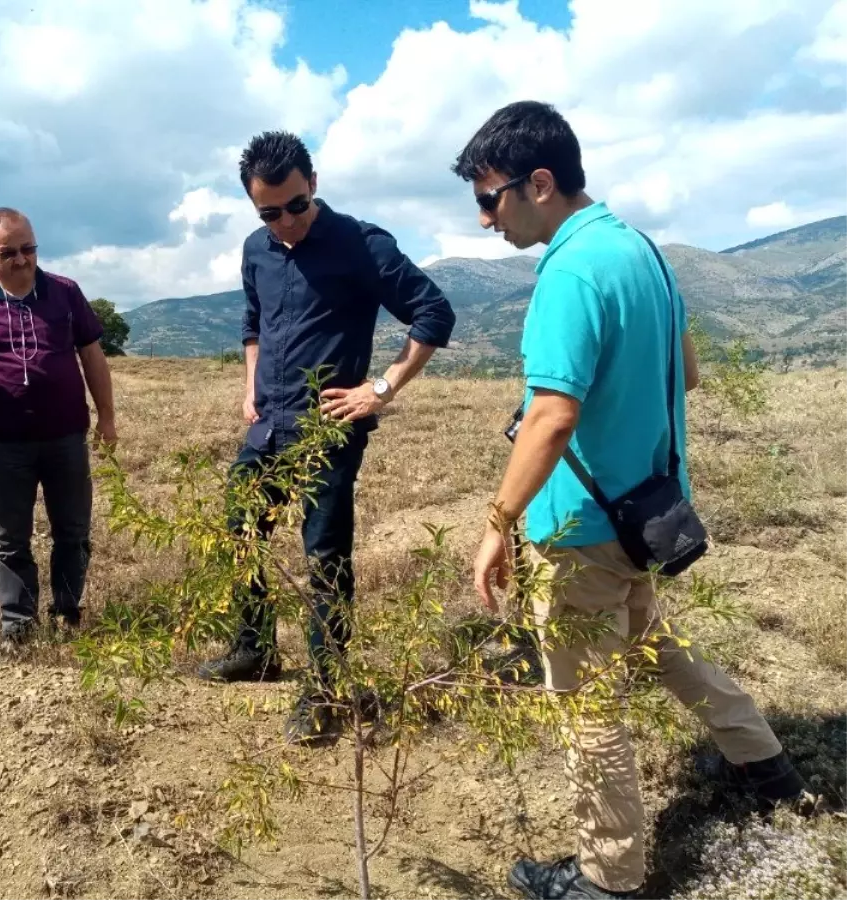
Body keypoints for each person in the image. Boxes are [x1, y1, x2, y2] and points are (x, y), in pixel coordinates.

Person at [455, 101, 807, 900]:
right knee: (657, 644)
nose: (484, 221)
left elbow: (552, 413)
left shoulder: (570, 272)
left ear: (538, 184)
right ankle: (763, 759)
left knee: (587, 706)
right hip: (643, 515)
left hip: (580, 531)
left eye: (489, 199)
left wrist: (497, 524)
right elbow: (689, 372)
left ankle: (609, 879)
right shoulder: (641, 251)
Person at [195, 130, 457, 745]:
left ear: (313, 184)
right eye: (268, 211)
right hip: (268, 426)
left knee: (324, 558)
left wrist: (382, 389)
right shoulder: (256, 249)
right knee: (241, 533)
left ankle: (326, 687)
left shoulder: (361, 244)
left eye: (293, 205)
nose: (283, 221)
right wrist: (250, 386)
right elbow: (253, 323)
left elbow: (434, 313)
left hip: (328, 431)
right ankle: (254, 649)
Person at [0, 207, 115, 645]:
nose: (21, 259)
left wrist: (107, 418)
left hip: (66, 437)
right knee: (9, 539)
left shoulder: (66, 292)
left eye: (29, 249)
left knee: (72, 531)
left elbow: (92, 356)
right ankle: (18, 624)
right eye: (9, 252)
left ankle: (67, 612)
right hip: (5, 444)